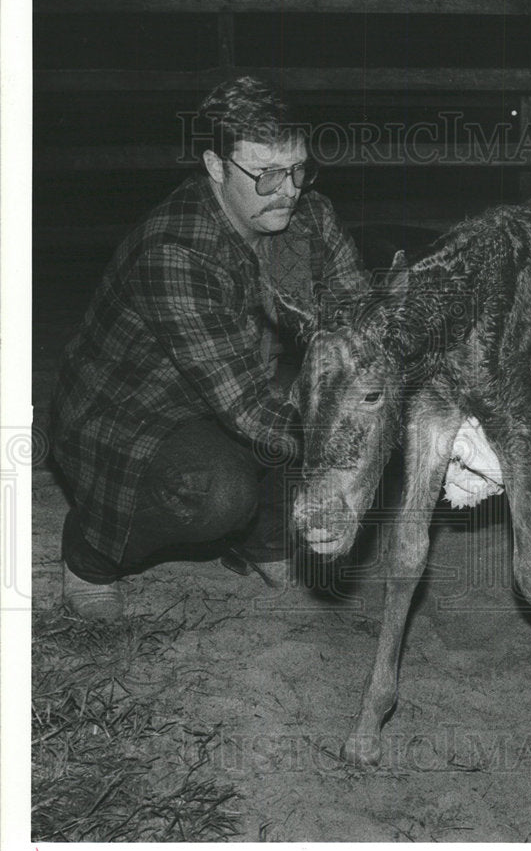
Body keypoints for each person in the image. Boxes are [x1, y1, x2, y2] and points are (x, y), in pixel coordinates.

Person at [51, 76, 369, 620]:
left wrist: (444, 399)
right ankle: (89, 558)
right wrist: (378, 430)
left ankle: (263, 538)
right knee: (217, 493)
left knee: (331, 394)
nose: (289, 189)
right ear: (217, 167)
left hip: (238, 389)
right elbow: (250, 411)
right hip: (130, 415)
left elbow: (362, 328)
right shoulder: (176, 251)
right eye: (266, 174)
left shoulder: (310, 218)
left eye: (298, 169)